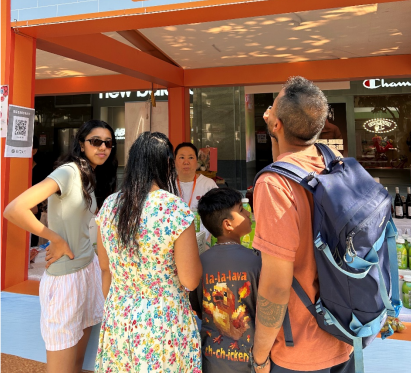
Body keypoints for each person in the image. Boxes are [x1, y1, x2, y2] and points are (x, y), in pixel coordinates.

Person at [251, 77, 354, 374]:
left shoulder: (274, 185)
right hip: (343, 334)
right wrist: (277, 128)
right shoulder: (334, 161)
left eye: (273, 107)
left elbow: (275, 286)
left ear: (277, 124)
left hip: (299, 350)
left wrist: (260, 355)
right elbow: (286, 158)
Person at [4, 120, 118, 374]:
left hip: (87, 269)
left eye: (108, 143)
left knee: (77, 363)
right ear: (81, 144)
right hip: (65, 277)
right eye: (96, 141)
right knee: (62, 367)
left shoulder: (90, 175)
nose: (103, 147)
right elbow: (14, 209)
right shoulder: (68, 172)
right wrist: (55, 239)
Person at [95, 132, 203, 373]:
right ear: (167, 165)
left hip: (118, 314)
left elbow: (105, 268)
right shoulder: (173, 208)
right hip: (162, 321)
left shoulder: (110, 205)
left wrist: (119, 305)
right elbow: (190, 280)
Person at [190, 188, 262, 373]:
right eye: (241, 210)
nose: (248, 214)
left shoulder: (200, 262)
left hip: (212, 361)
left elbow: (198, 309)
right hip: (249, 362)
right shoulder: (256, 262)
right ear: (228, 224)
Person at [175, 142, 218, 209]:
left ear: (197, 161)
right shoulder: (165, 185)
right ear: (174, 161)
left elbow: (218, 210)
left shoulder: (208, 184)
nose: (186, 162)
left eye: (191, 157)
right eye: (182, 157)